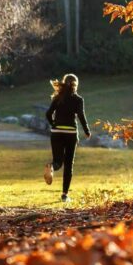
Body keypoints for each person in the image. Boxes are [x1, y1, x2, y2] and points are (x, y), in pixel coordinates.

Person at [44, 73, 91, 202]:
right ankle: (65, 195)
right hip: (70, 134)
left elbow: (48, 114)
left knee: (58, 161)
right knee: (68, 164)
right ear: (76, 85)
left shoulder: (58, 98)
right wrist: (86, 130)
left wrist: (53, 124)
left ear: (64, 83)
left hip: (56, 132)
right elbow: (81, 116)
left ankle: (51, 167)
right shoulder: (78, 99)